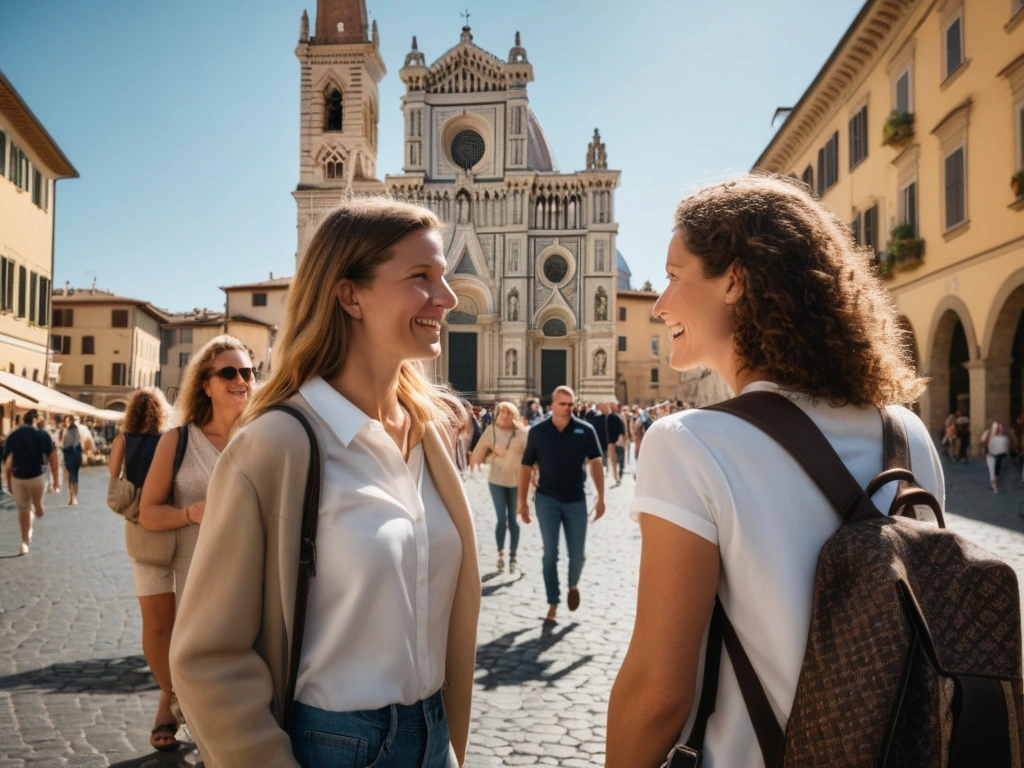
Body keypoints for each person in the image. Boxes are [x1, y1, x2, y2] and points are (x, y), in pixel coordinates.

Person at [606, 175, 943, 767]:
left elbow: (657, 693)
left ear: (733, 280)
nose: (658, 305)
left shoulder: (689, 444)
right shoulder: (906, 434)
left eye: (674, 277)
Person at [169, 199, 481, 768]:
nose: (449, 297)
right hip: (331, 748)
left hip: (434, 738)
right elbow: (207, 657)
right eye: (421, 277)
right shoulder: (276, 444)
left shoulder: (429, 436)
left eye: (444, 277)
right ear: (348, 295)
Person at [139, 335, 254, 607]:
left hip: (254, 584)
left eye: (247, 373)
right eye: (228, 373)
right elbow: (148, 513)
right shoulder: (177, 441)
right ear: (206, 386)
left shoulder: (266, 438)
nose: (240, 380)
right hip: (195, 586)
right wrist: (190, 514)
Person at [109, 387, 182, 752]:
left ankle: (173, 697)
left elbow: (112, 472)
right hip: (171, 515)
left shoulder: (125, 437)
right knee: (163, 623)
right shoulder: (169, 438)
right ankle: (171, 698)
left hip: (139, 521)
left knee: (159, 626)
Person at [518, 385, 604, 623]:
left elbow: (596, 463)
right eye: (562, 404)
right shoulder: (537, 432)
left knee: (577, 555)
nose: (567, 408)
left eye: (570, 404)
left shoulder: (585, 430)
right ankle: (553, 602)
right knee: (549, 554)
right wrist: (522, 503)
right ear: (552, 405)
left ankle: (573, 585)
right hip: (546, 499)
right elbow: (526, 466)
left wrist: (601, 497)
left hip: (576, 499)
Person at [470, 401, 529, 574]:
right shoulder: (491, 431)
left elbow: (531, 455)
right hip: (496, 480)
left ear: (514, 416)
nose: (504, 416)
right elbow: (478, 451)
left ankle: (513, 556)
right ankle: (500, 555)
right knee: (501, 519)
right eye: (501, 413)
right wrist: (477, 461)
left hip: (516, 480)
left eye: (508, 413)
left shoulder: (522, 434)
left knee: (513, 519)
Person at [2, 409, 59, 555]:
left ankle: (24, 542)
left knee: (23, 509)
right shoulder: (43, 435)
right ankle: (39, 508)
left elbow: (8, 463)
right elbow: (53, 458)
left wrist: (7, 482)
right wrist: (55, 481)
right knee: (36, 505)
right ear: (35, 420)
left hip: (18, 477)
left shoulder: (13, 436)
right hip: (38, 477)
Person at [59, 414, 93, 506]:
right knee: (74, 476)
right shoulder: (76, 430)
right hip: (75, 455)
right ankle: (73, 497)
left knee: (71, 476)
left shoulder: (69, 430)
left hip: (70, 455)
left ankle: (72, 497)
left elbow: (65, 444)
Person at [981, 421, 1012, 494]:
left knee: (994, 470)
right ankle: (994, 485)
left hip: (995, 455)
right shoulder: (989, 433)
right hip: (991, 455)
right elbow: (983, 442)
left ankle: (995, 484)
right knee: (993, 470)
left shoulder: (1001, 436)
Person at [604, 403, 626, 486]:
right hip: (615, 441)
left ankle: (615, 477)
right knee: (615, 460)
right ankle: (616, 477)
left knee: (613, 461)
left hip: (611, 442)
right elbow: (622, 429)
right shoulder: (616, 418)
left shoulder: (610, 418)